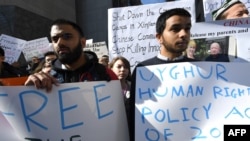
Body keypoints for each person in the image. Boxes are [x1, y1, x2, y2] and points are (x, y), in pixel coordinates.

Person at [128, 8, 198, 141]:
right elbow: (135, 116)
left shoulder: (202, 69)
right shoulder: (143, 70)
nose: (184, 34)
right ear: (159, 37)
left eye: (187, 28)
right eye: (175, 29)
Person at [24, 19, 118, 91]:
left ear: (83, 42)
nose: (60, 43)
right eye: (55, 39)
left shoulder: (105, 74)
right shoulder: (46, 77)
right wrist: (30, 90)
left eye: (67, 37)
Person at [109, 56, 132, 124]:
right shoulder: (105, 88)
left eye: (126, 67)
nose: (122, 70)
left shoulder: (134, 86)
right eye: (119, 67)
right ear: (111, 69)